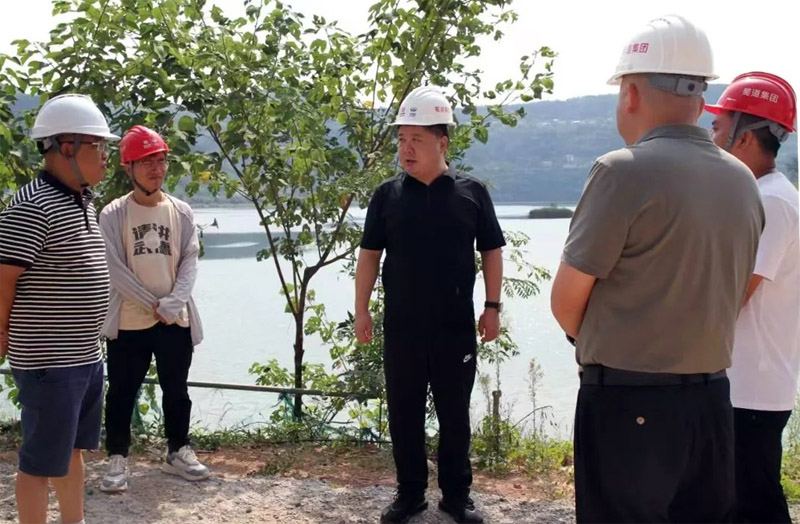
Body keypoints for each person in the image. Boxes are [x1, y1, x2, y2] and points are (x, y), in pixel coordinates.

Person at [549, 15, 764, 522]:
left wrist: (606, 342)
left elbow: (565, 302)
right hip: (712, 402)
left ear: (630, 93)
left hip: (628, 402)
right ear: (700, 98)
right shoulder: (742, 181)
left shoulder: (621, 171)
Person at [355, 86, 505, 524]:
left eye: (416, 139)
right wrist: (362, 309)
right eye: (402, 139)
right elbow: (369, 256)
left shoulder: (470, 193)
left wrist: (492, 307)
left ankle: (457, 496)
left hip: (454, 328)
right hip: (402, 326)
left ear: (442, 142)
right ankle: (410, 494)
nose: (406, 149)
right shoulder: (387, 195)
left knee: (455, 415)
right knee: (403, 413)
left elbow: (492, 251)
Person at [0, 94, 118, 524]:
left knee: (71, 450)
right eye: (98, 146)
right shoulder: (31, 206)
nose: (105, 156)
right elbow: (3, 278)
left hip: (84, 354)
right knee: (39, 461)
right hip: (49, 360)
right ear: (66, 147)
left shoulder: (81, 200)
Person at [706, 71, 798, 523]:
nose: (712, 136)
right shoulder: (760, 195)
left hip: (752, 386)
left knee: (755, 502)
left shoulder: (773, 202)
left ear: (744, 136)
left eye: (718, 126)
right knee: (734, 499)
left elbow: (736, 292)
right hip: (741, 381)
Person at [98, 125, 208, 493]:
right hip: (130, 320)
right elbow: (114, 269)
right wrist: (153, 304)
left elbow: (190, 259)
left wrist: (172, 304)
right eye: (146, 162)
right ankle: (117, 457)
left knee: (176, 389)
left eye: (160, 161)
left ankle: (178, 451)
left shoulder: (181, 211)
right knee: (121, 392)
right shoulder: (113, 214)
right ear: (128, 167)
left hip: (175, 319)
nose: (155, 169)